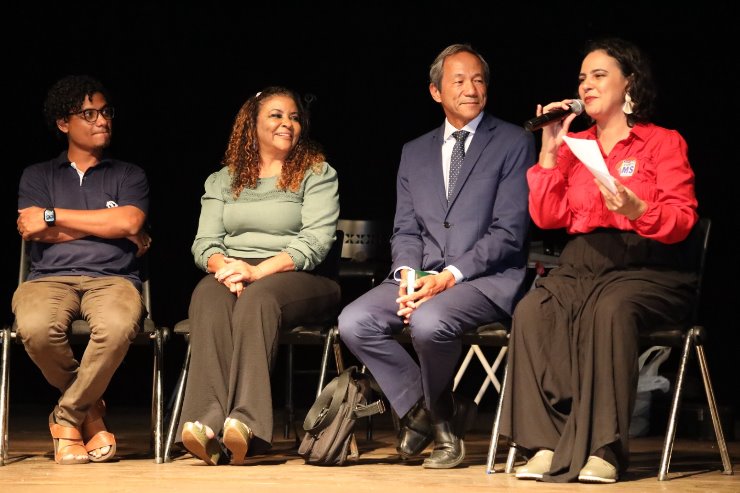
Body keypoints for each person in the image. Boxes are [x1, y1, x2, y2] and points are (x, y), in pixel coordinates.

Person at [501, 37, 699, 484]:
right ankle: (546, 442)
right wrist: (550, 150)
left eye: (598, 75)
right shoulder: (574, 145)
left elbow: (683, 219)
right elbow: (548, 217)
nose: (586, 86)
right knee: (534, 310)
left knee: (610, 310)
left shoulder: (662, 142)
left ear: (629, 82)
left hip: (647, 265)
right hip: (582, 263)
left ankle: (604, 447)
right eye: (581, 78)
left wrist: (637, 210)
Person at [338, 43, 535, 469]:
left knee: (429, 322)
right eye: (459, 80)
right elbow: (405, 228)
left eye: (478, 79)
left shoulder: (513, 141)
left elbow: (510, 231)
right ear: (436, 92)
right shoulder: (414, 151)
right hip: (423, 274)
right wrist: (409, 275)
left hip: (485, 278)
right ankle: (431, 409)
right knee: (354, 321)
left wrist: (449, 276)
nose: (471, 88)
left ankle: (443, 425)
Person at [177, 86, 340, 466]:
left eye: (294, 117)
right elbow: (205, 243)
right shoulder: (223, 180)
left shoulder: (317, 172)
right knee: (207, 296)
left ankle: (248, 426)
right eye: (277, 115)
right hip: (235, 273)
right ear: (250, 124)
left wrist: (256, 272)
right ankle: (207, 423)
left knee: (258, 299)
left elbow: (315, 242)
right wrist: (226, 269)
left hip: (298, 275)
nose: (288, 123)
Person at [13, 75, 151, 465]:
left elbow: (128, 222)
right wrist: (107, 225)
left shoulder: (128, 174)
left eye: (105, 112)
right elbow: (32, 229)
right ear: (63, 123)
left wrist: (54, 218)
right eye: (88, 114)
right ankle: (90, 413)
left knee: (118, 329)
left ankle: (67, 415)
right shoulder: (38, 175)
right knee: (37, 329)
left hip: (114, 279)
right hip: (48, 279)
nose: (101, 120)